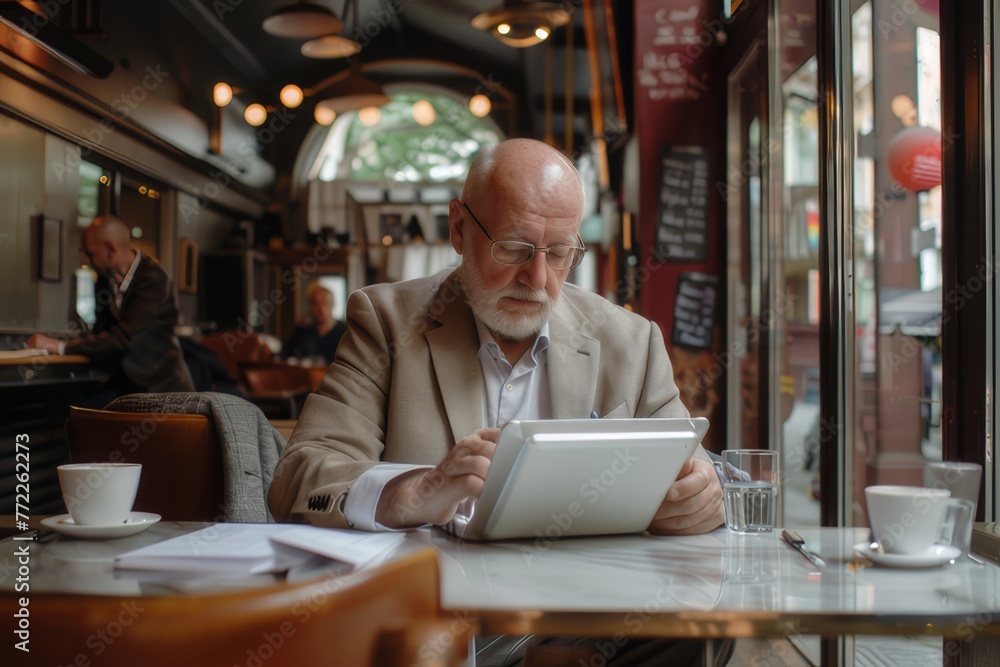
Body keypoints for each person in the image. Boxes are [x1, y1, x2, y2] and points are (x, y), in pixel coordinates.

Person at [268, 139, 725, 664]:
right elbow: (299, 478)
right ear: (459, 229)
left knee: (701, 630)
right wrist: (414, 490)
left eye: (559, 254)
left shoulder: (632, 341)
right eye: (513, 247)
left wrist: (697, 497)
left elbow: (690, 471)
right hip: (433, 618)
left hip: (584, 616)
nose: (537, 279)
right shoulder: (387, 321)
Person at [28, 215, 194, 405]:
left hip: (159, 388)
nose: (87, 260)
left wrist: (61, 347)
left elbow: (124, 338)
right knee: (72, 407)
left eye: (91, 254)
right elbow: (101, 331)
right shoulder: (106, 279)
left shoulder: (152, 278)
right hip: (124, 382)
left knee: (84, 413)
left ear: (110, 248)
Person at [279, 282, 347, 365]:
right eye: (315, 303)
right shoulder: (302, 331)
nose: (320, 308)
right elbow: (282, 355)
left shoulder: (344, 332)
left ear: (332, 304)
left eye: (324, 302)